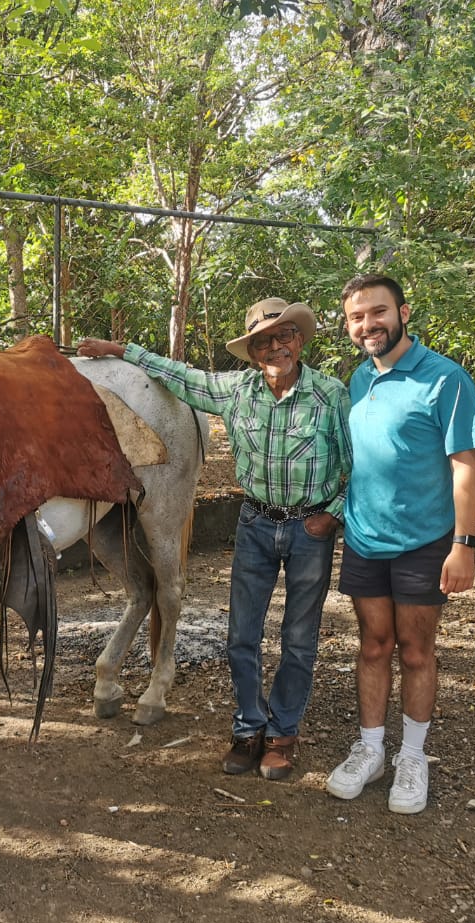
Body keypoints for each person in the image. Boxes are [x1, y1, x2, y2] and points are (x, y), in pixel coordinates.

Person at [78, 298, 351, 781]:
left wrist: (331, 516)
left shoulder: (331, 395)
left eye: (283, 336)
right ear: (251, 352)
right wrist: (118, 349)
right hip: (256, 525)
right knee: (241, 638)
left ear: (300, 339)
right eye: (262, 341)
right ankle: (249, 729)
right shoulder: (234, 391)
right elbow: (176, 373)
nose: (275, 347)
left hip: (311, 529)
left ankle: (282, 735)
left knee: (298, 639)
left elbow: (357, 463)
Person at [325, 274, 475, 815]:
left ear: (403, 312)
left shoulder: (446, 379)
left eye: (377, 312)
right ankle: (370, 750)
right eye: (356, 317)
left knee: (416, 651)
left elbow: (464, 466)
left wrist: (462, 544)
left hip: (424, 541)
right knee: (373, 645)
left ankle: (412, 757)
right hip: (366, 538)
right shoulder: (358, 380)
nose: (368, 324)